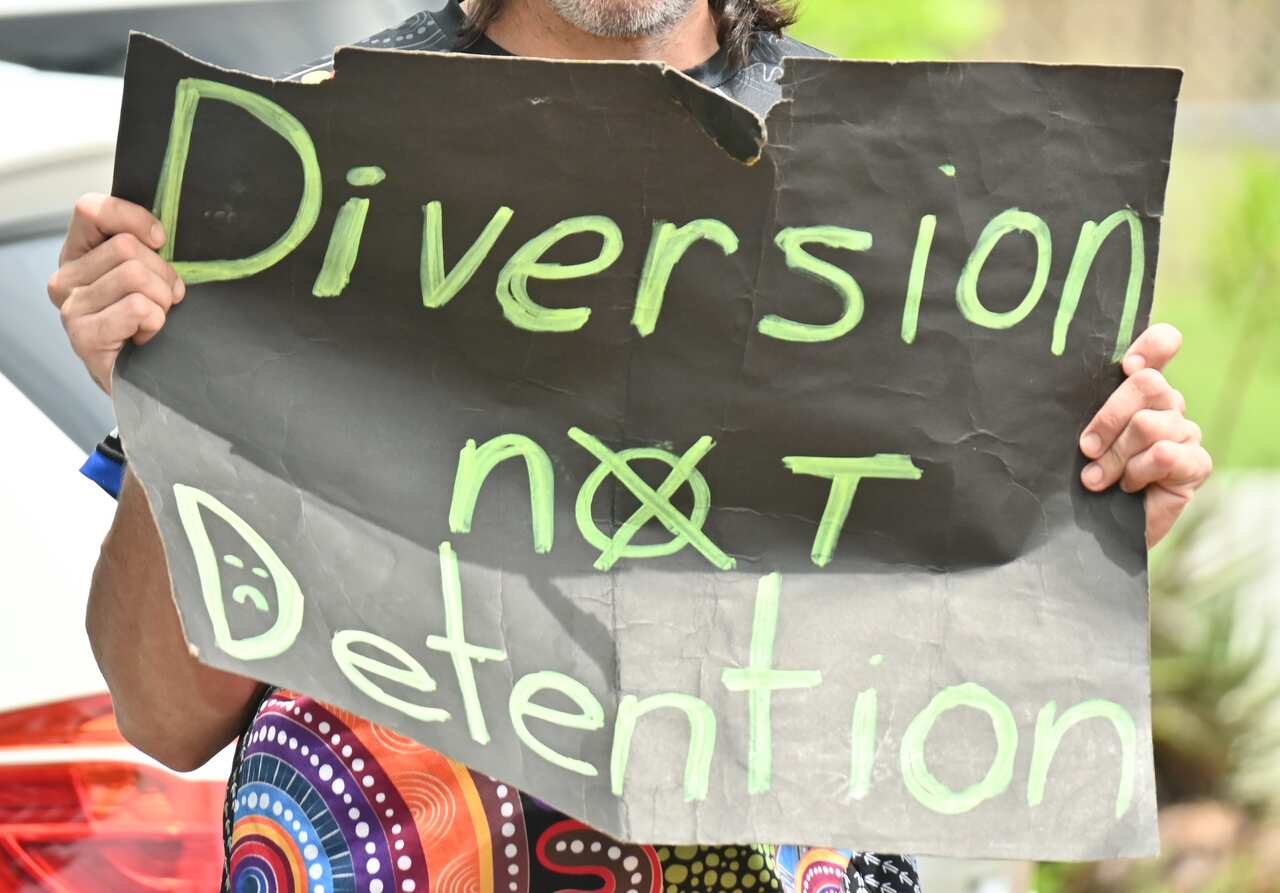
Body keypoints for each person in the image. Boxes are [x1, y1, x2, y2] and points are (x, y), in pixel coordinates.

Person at [46, 2, 1213, 892]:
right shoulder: (298, 160)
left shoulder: (924, 197)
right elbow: (167, 710)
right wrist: (174, 405)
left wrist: (1080, 536)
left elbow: (958, 704)